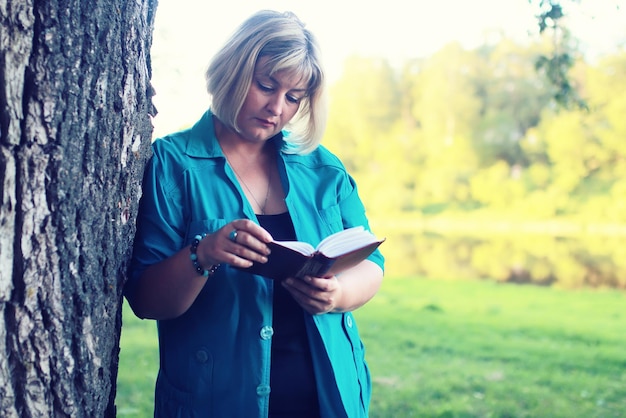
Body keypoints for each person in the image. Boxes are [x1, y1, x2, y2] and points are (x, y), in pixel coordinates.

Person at [124, 9, 384, 418]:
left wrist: (338, 295)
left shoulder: (325, 169)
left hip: (330, 400)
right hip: (215, 403)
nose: (277, 107)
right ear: (233, 70)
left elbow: (372, 264)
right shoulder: (172, 164)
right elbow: (146, 299)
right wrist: (203, 254)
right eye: (266, 85)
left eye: (294, 97)